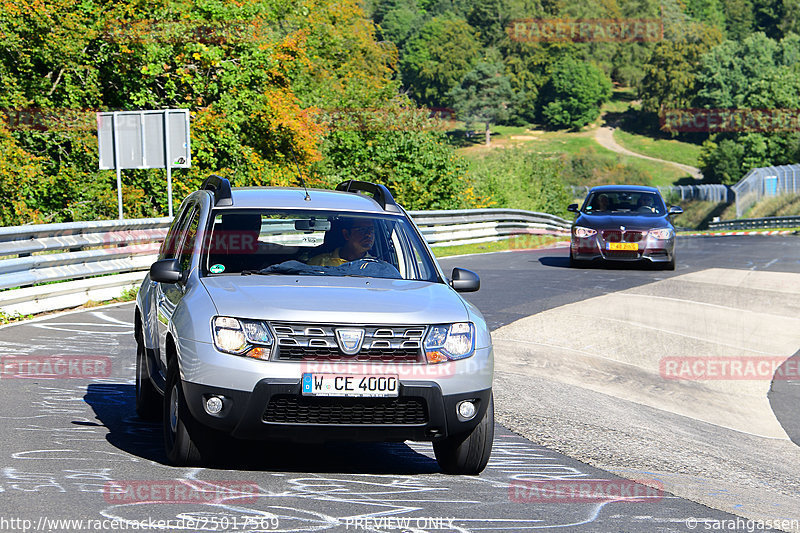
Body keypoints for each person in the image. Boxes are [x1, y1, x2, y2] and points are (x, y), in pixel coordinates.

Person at [307, 218, 375, 266]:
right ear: (346, 234)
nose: (368, 234)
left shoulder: (377, 266)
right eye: (362, 229)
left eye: (371, 229)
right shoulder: (318, 263)